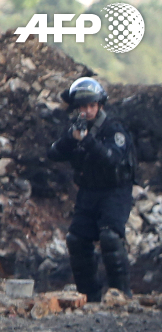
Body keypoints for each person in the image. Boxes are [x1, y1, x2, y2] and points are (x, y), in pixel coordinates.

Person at [48, 77, 136, 302]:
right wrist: (72, 139)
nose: (87, 111)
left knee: (110, 236)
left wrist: (87, 141)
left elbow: (112, 159)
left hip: (114, 191)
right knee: (76, 239)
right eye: (83, 107)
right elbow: (54, 153)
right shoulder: (76, 128)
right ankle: (89, 296)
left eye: (92, 106)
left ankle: (120, 293)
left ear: (100, 105)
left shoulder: (113, 129)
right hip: (89, 191)